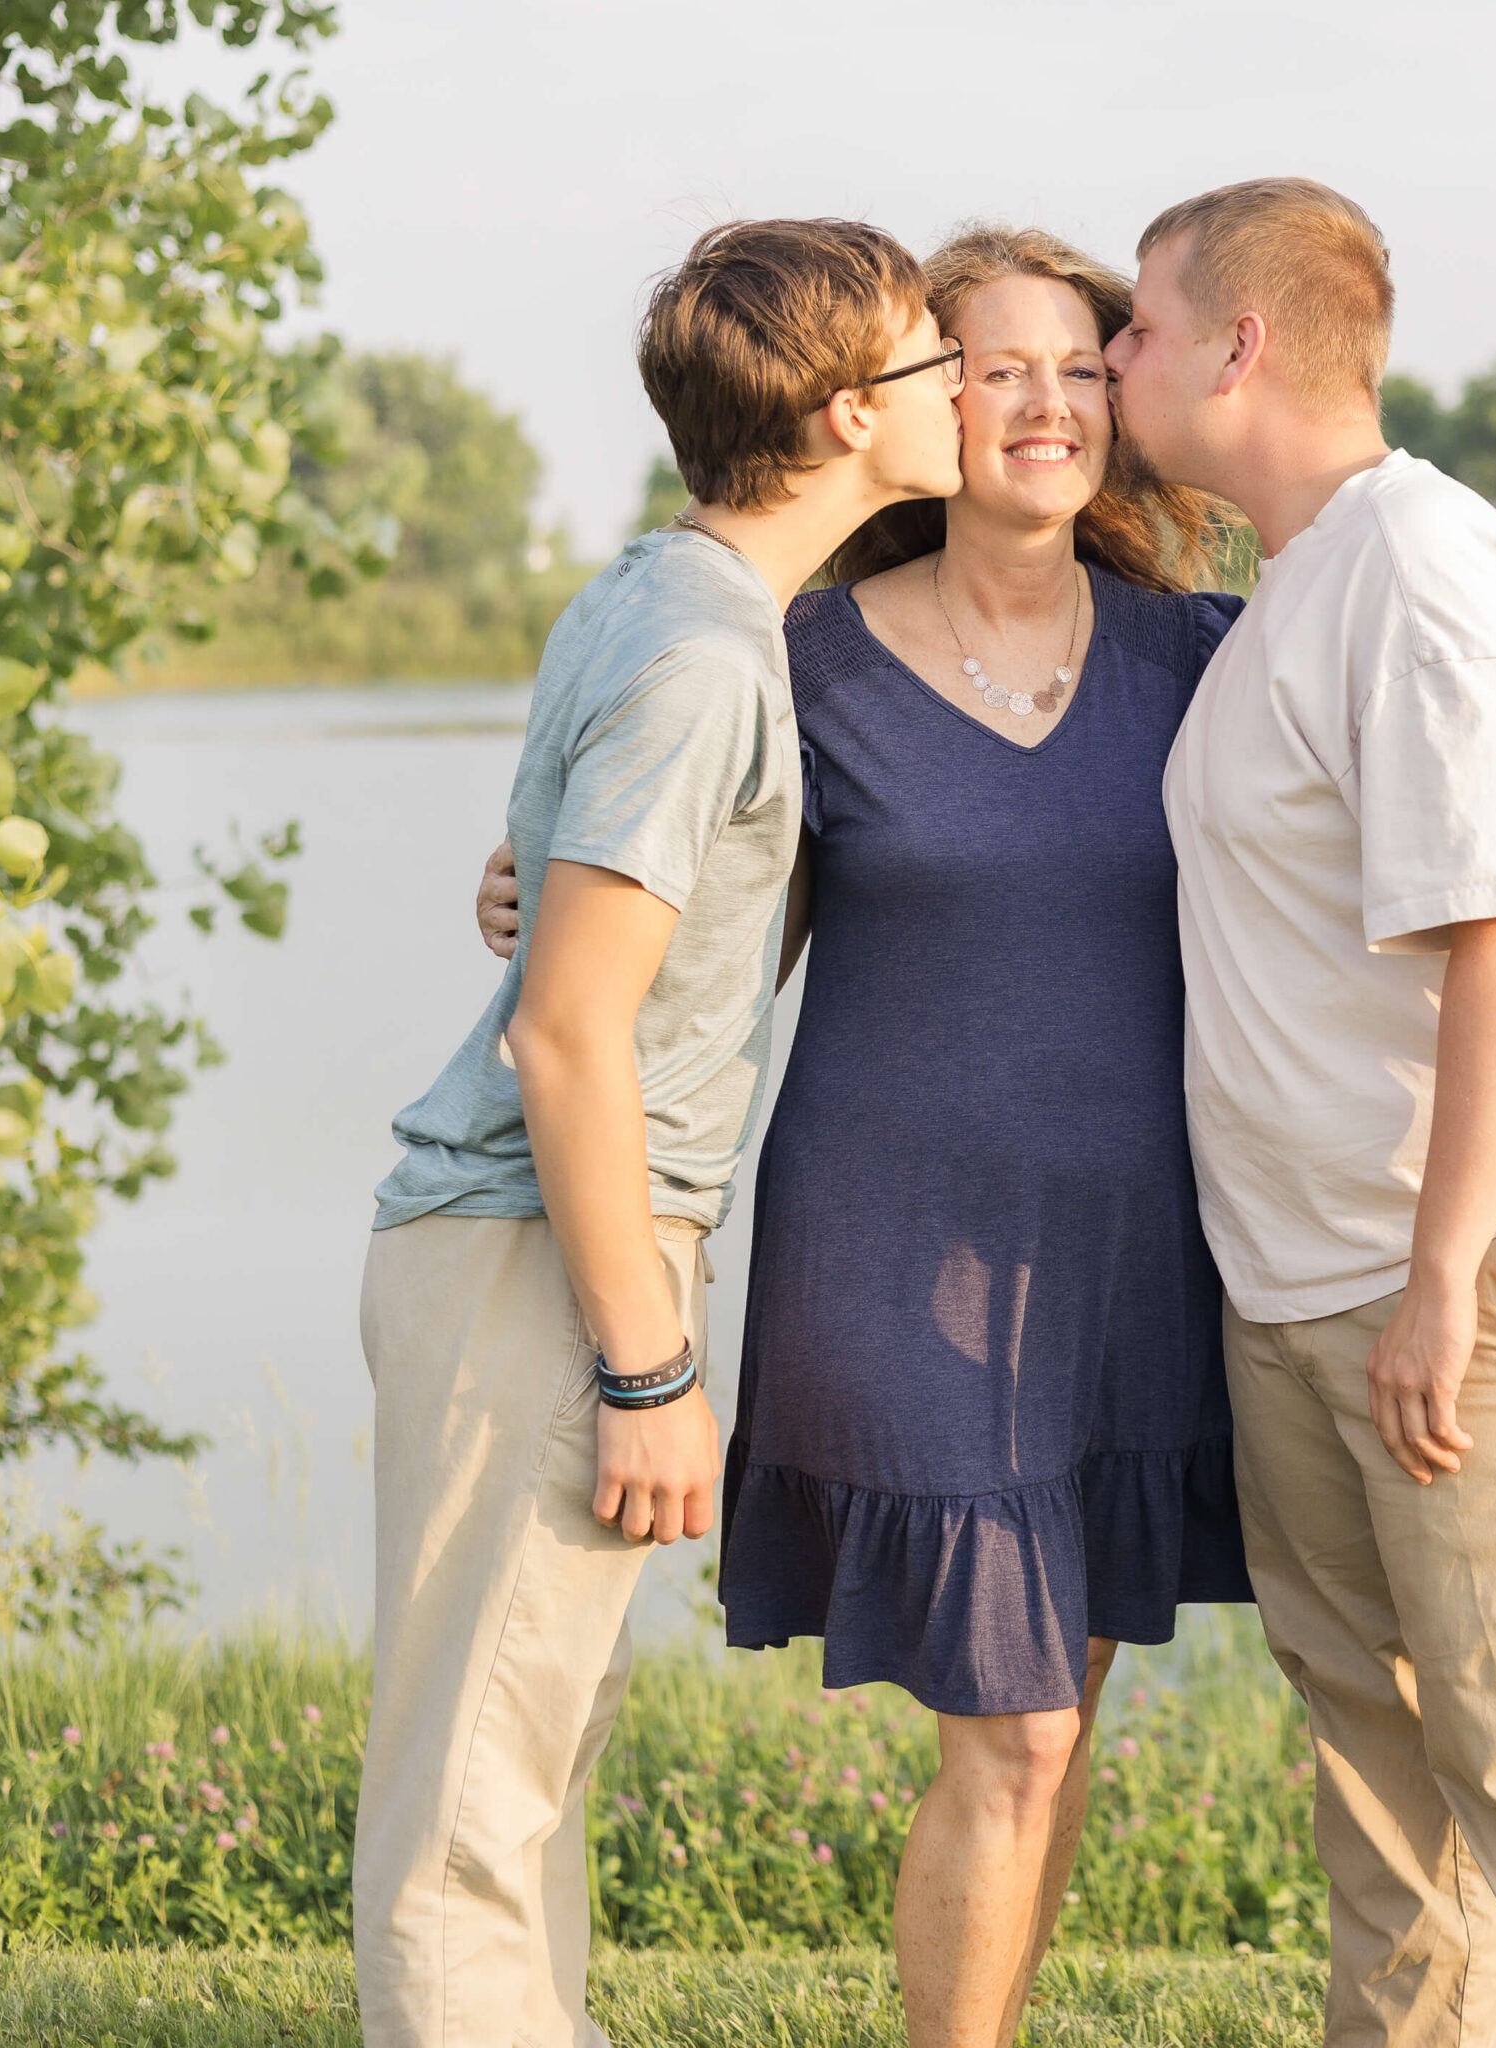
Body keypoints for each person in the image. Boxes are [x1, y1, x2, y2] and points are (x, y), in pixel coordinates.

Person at [475, 224, 1255, 2048]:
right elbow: (690, 913)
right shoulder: (797, 661)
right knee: (1018, 1727)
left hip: (1134, 1258)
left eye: (1082, 367)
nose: (1047, 405)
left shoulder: (1206, 660)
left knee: (1063, 1716)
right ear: (915, 402)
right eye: (997, 369)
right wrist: (538, 883)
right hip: (899, 1250)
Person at [1105, 178, 1496, 2048]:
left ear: (1242, 341)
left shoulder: (1423, 570)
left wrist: (1443, 1274)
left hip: (1487, 1279)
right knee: (1382, 1793)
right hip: (1312, 1290)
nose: (1112, 359)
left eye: (1133, 324)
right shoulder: (1299, 587)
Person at [356, 217, 961, 2048]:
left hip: (527, 1244)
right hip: (552, 1257)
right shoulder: (707, 656)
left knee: (517, 1754)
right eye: (941, 365)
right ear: (856, 415)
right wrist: (646, 1367)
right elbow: (564, 1033)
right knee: (474, 1798)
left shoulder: (664, 593)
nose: (965, 394)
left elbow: (566, 916)